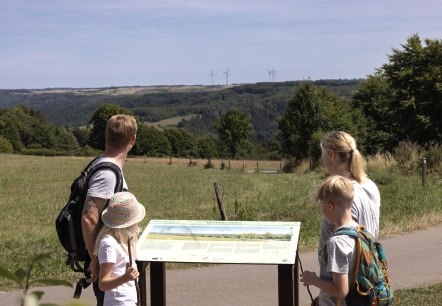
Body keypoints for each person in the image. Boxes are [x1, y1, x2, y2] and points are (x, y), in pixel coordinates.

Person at [82, 114, 137, 305]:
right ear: (133, 139)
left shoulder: (104, 165)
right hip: (109, 265)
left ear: (106, 136)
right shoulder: (107, 173)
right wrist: (95, 259)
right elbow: (89, 217)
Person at [301, 175, 358, 306]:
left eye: (322, 205)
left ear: (329, 206)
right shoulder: (360, 232)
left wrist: (313, 280)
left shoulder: (336, 242)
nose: (322, 210)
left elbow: (341, 290)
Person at [319, 131, 381, 250]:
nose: (323, 160)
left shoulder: (339, 192)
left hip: (341, 267)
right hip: (366, 264)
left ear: (331, 154)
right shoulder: (371, 186)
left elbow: (343, 249)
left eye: (323, 155)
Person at [94, 191, 145, 306]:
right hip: (118, 302)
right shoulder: (108, 244)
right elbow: (102, 283)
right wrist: (125, 278)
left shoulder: (122, 238)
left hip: (127, 300)